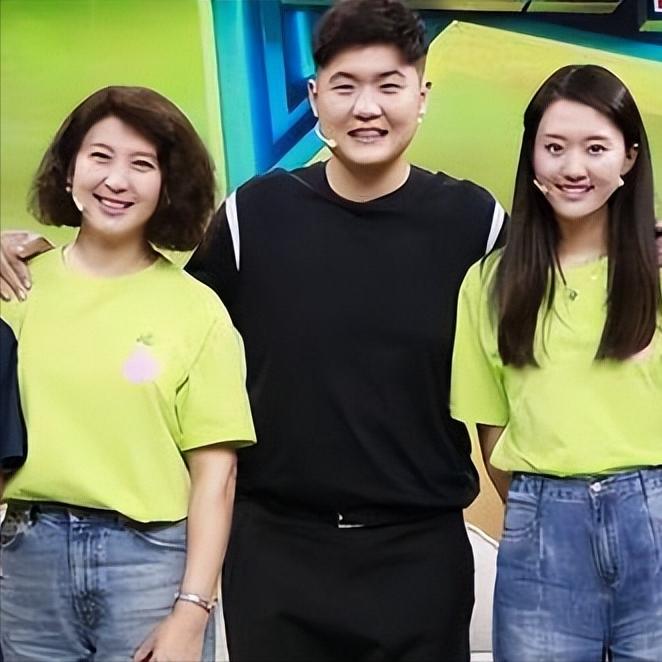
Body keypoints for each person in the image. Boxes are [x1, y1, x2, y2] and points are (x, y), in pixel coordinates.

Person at [5, 2, 502, 660]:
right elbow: (146, 313)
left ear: (422, 96)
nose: (367, 107)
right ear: (314, 97)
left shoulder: (475, 222)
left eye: (389, 85)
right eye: (345, 86)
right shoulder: (253, 216)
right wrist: (20, 252)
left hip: (419, 554)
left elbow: (526, 367)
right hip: (274, 555)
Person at [0, 86, 255, 662]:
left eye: (142, 164)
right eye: (100, 156)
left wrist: (193, 609)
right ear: (69, 171)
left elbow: (216, 476)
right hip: (27, 560)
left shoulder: (198, 310)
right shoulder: (16, 290)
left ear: (167, 186)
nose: (117, 180)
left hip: (151, 564)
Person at [451, 64, 662, 662]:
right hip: (541, 528)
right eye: (554, 148)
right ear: (532, 157)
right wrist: (542, 511)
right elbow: (491, 431)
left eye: (596, 148)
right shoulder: (490, 284)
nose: (573, 167)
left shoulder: (655, 271)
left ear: (629, 157)